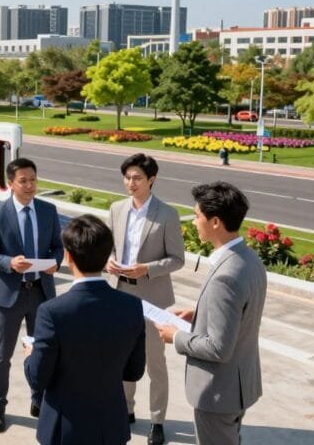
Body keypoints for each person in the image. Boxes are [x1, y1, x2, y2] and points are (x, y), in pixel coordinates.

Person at [156, 182, 267, 445]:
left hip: (218, 393)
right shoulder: (249, 259)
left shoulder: (225, 276)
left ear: (215, 221)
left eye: (197, 216)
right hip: (239, 383)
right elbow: (242, 309)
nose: (194, 222)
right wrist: (200, 312)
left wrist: (177, 336)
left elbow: (218, 348)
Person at [24, 214, 146, 445]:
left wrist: (30, 356)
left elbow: (37, 377)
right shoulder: (132, 306)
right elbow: (134, 371)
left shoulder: (52, 311)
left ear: (68, 256)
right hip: (110, 424)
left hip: (64, 429)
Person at [106, 153, 185, 445]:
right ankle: (126, 409)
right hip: (120, 293)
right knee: (123, 356)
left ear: (152, 180)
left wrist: (147, 270)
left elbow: (177, 259)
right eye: (127, 177)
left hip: (152, 297)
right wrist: (108, 261)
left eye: (137, 177)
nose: (131, 183)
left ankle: (157, 421)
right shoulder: (116, 208)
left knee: (155, 362)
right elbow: (108, 247)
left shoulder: (167, 214)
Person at [0, 158, 64, 433]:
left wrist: (55, 262)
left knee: (42, 351)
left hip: (42, 293)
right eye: (23, 181)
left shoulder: (48, 210)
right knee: (2, 355)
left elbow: (57, 247)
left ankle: (38, 400)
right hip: (9, 295)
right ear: (11, 184)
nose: (30, 186)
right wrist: (9, 263)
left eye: (33, 180)